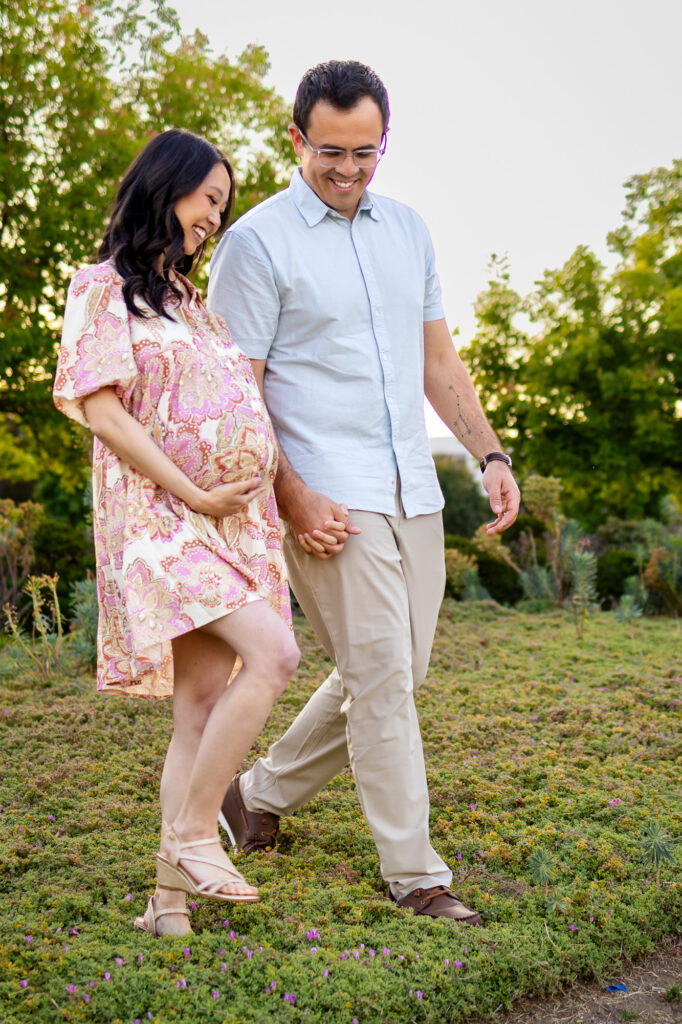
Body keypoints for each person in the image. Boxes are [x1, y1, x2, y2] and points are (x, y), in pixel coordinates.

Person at [207, 61, 520, 925]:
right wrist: (292, 496)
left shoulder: (408, 232)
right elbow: (242, 391)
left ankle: (255, 794)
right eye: (330, 151)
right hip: (324, 493)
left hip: (411, 486)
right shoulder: (258, 242)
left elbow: (437, 362)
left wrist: (488, 454)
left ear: (385, 142)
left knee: (394, 671)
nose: (347, 169)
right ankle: (415, 874)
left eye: (365, 153)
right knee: (381, 675)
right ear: (296, 137)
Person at [53, 129, 299, 937]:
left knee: (197, 704)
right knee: (276, 656)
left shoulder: (193, 306)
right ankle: (198, 831)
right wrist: (194, 489)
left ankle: (166, 905)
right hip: (163, 517)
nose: (214, 220)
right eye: (209, 200)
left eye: (223, 209)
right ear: (168, 185)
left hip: (232, 524)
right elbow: (102, 410)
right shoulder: (100, 290)